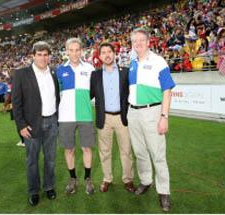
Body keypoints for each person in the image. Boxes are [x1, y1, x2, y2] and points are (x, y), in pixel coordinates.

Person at [127, 28, 175, 212]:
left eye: (141, 40)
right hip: (133, 113)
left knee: (157, 154)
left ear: (148, 42)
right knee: (140, 152)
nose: (138, 43)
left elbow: (167, 90)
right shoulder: (132, 63)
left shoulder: (158, 61)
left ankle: (164, 192)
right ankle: (146, 181)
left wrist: (164, 116)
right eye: (135, 40)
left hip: (152, 112)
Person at [12, 41, 60, 206]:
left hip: (52, 122)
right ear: (33, 56)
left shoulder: (53, 72)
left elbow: (56, 97)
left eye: (45, 54)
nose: (42, 58)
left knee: (51, 159)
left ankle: (49, 187)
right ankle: (33, 191)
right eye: (39, 54)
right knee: (32, 161)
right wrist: (21, 125)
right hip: (32, 125)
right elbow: (16, 103)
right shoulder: (21, 74)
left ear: (49, 56)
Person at [90, 42, 135, 193]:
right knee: (105, 151)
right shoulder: (95, 75)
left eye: (109, 51)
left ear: (114, 54)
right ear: (100, 56)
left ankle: (128, 180)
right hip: (104, 118)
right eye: (103, 52)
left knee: (126, 151)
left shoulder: (125, 72)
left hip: (123, 118)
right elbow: (90, 95)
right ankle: (107, 178)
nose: (107, 55)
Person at [56, 38, 96, 195]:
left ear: (81, 51)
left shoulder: (90, 68)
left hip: (85, 115)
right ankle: (72, 178)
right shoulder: (59, 70)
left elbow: (93, 91)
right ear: (66, 51)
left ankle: (87, 178)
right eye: (71, 50)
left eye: (77, 50)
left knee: (87, 148)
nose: (74, 53)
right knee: (69, 149)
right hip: (65, 117)